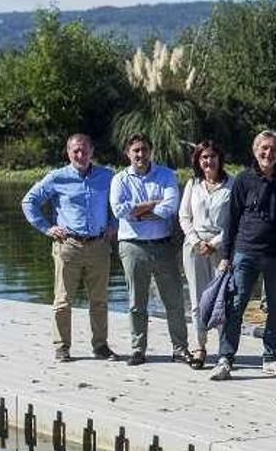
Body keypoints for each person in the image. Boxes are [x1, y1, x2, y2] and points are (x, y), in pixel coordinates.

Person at [209, 131, 276, 381]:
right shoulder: (243, 180)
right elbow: (232, 220)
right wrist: (226, 256)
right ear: (254, 149)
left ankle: (271, 358)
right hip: (245, 252)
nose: (267, 153)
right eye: (263, 148)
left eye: (272, 148)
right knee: (235, 306)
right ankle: (226, 358)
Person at [21, 133, 118, 363]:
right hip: (68, 245)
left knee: (99, 300)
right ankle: (62, 347)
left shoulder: (108, 177)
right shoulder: (57, 178)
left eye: (85, 150)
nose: (80, 155)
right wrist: (46, 228)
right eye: (76, 150)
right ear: (68, 152)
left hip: (99, 245)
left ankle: (101, 346)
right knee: (63, 300)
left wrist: (115, 224)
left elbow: (120, 205)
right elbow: (29, 201)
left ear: (92, 151)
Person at [109, 133, 186, 367]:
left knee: (174, 300)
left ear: (150, 151)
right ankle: (138, 350)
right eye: (136, 151)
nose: (140, 155)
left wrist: (139, 213)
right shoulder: (120, 179)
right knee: (136, 302)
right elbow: (119, 211)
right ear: (127, 153)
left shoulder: (165, 175)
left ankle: (180, 349)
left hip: (163, 245)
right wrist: (153, 204)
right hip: (132, 246)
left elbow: (171, 206)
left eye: (144, 149)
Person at [177, 140, 233, 370]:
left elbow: (235, 220)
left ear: (219, 159)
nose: (208, 161)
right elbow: (184, 216)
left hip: (221, 246)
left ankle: (224, 349)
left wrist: (215, 242)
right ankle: (199, 346)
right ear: (198, 161)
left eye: (212, 156)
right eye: (204, 158)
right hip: (194, 247)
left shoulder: (232, 184)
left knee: (222, 298)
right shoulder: (193, 184)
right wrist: (196, 241)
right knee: (198, 298)